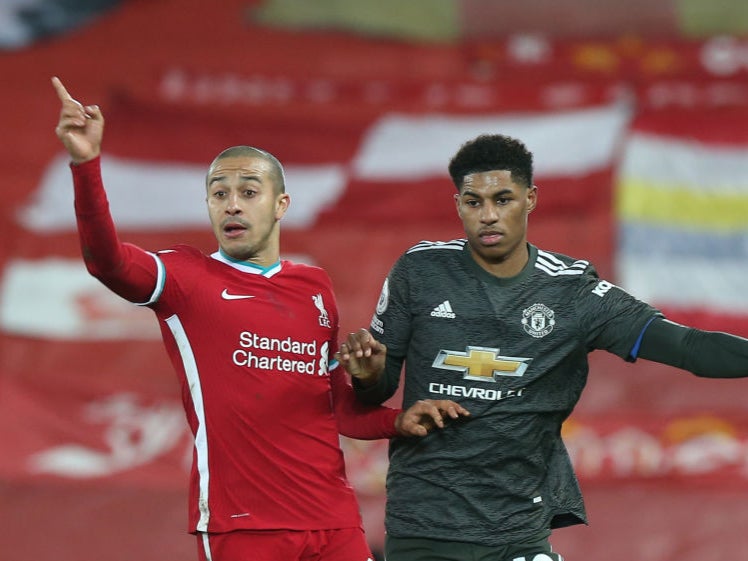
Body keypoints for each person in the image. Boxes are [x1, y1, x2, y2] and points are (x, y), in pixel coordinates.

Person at [51, 76, 469, 561]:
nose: (232, 203)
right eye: (218, 193)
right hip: (244, 526)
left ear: (280, 205)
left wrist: (399, 420)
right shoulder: (187, 276)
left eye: (249, 191)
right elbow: (108, 263)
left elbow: (335, 409)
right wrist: (85, 163)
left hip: (332, 519)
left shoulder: (314, 287)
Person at [337, 133, 748, 561]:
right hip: (423, 522)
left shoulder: (573, 292)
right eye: (473, 202)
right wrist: (367, 374)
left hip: (517, 526)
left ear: (530, 198)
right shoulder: (420, 270)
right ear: (458, 204)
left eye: (503, 199)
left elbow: (689, 347)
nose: (489, 216)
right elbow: (377, 390)